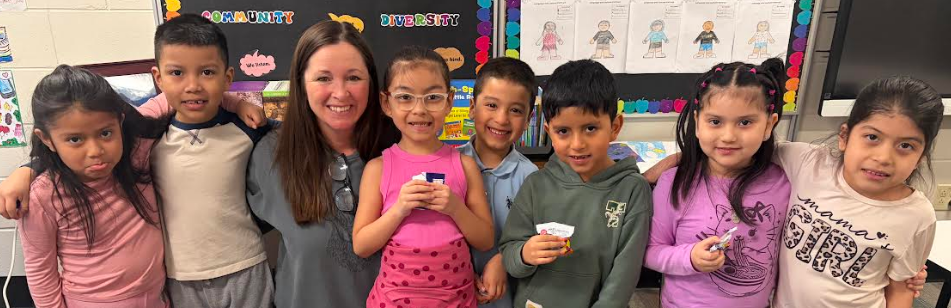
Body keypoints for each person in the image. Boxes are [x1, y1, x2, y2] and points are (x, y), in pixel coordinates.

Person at [245, 20, 400, 308]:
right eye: (323, 78)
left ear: (372, 82)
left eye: (354, 77)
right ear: (302, 83)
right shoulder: (271, 156)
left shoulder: (401, 149)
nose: (340, 93)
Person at [772, 76, 942, 308]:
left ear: (920, 157)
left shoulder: (917, 216)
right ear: (845, 137)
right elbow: (746, 147)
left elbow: (901, 290)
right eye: (872, 137)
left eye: (906, 146)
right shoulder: (808, 163)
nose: (883, 158)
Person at [498, 60, 652, 307]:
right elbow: (510, 252)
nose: (577, 144)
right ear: (549, 131)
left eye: (590, 128)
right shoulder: (536, 185)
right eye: (563, 131)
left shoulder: (632, 190)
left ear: (614, 127)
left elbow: (624, 275)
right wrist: (525, 254)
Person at [352, 46, 494, 308]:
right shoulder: (378, 168)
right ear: (387, 103)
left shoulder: (465, 166)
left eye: (432, 97)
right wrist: (398, 210)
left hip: (456, 299)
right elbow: (361, 245)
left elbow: (485, 240)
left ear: (450, 101)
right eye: (405, 97)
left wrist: (455, 208)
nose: (419, 109)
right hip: (393, 301)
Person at [20, 65, 169, 307]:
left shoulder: (135, 153)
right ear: (47, 139)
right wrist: (26, 171)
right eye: (75, 139)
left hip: (157, 297)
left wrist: (237, 104)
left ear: (120, 122)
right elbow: (41, 273)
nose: (95, 151)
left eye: (105, 133)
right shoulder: (44, 196)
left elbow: (177, 95)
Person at [645, 59, 790, 307]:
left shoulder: (784, 182)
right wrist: (689, 258)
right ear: (698, 123)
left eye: (745, 122)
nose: (728, 136)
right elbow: (650, 251)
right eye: (715, 121)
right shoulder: (674, 183)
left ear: (769, 125)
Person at [458, 57, 539, 307]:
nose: (502, 119)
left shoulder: (533, 178)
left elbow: (536, 241)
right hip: (454, 291)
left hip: (510, 297)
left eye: (515, 110)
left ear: (528, 119)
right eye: (491, 105)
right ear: (472, 107)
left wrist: (505, 259)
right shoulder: (450, 166)